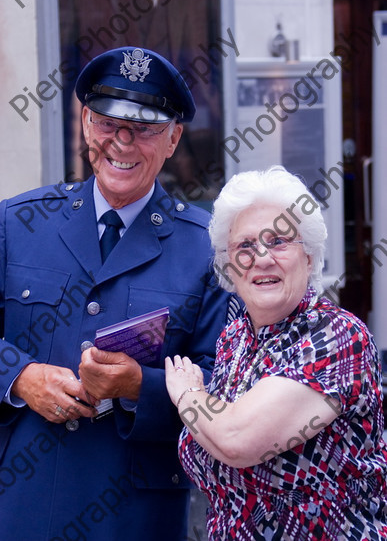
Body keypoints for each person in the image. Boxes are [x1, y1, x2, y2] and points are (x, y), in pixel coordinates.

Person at [0, 46, 229, 541]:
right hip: (23, 503)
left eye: (145, 129)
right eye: (108, 123)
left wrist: (138, 388)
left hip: (135, 517)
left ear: (173, 140)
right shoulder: (17, 223)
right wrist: (18, 377)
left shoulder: (207, 248)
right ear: (85, 124)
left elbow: (225, 387)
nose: (122, 142)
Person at [165, 166, 387, 540]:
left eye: (279, 241)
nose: (262, 258)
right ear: (230, 266)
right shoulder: (234, 338)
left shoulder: (338, 336)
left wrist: (188, 394)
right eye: (245, 246)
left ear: (310, 257)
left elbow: (236, 439)